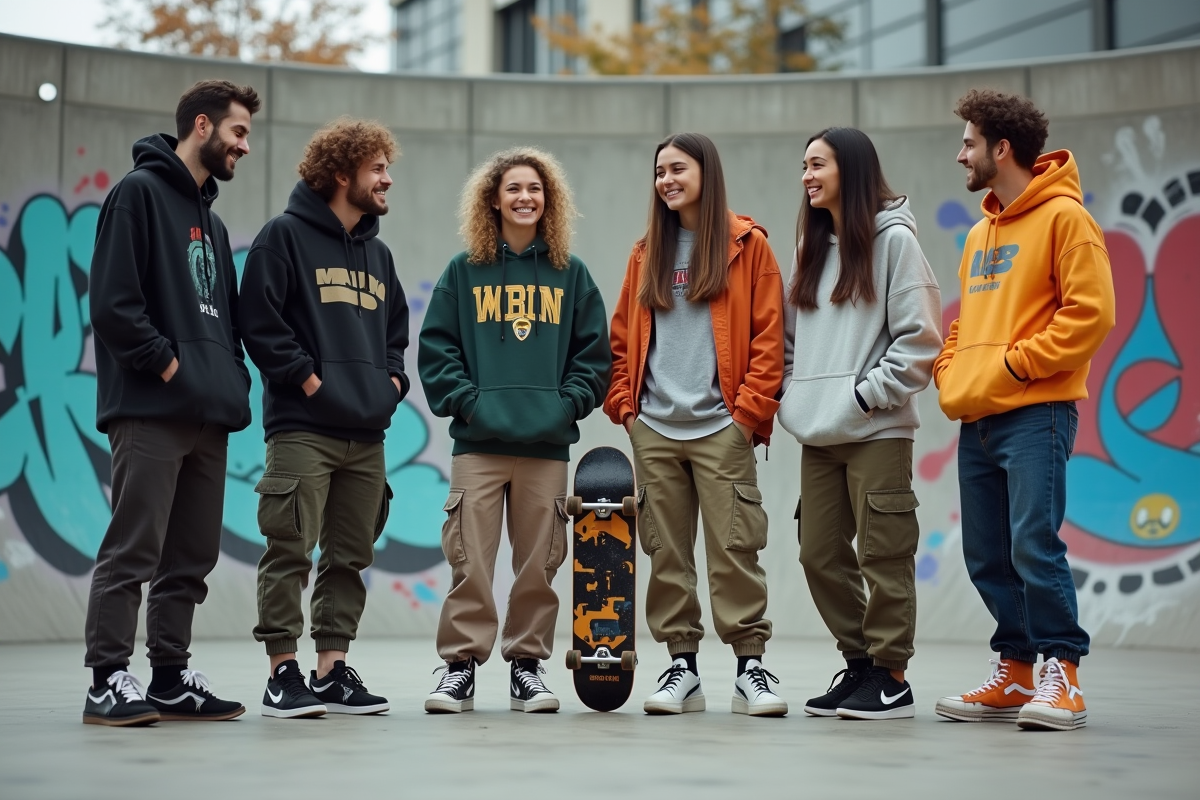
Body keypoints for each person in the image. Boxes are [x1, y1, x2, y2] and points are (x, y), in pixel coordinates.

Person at [934, 90, 1115, 731]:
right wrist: (951, 372)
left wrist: (1013, 366)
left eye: (968, 143)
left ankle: (1061, 674)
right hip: (976, 415)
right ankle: (1015, 671)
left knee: (1034, 546)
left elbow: (1091, 315)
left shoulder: (1066, 219)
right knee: (987, 554)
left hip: (1036, 411)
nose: (961, 155)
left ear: (1000, 148)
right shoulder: (981, 231)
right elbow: (963, 323)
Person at [84, 79, 260, 726]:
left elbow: (226, 324)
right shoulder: (136, 195)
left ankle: (168, 676)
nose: (245, 146)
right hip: (150, 409)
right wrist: (170, 364)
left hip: (207, 416)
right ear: (204, 126)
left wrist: (227, 382)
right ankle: (106, 679)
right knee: (135, 548)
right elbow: (113, 305)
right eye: (239, 133)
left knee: (190, 558)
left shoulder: (210, 223)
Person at [419, 147, 610, 714]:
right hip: (478, 444)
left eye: (536, 189)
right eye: (514, 189)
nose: (526, 197)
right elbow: (437, 350)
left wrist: (565, 406)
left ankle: (527, 666)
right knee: (469, 561)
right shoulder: (464, 272)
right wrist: (469, 405)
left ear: (548, 200)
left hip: (546, 447)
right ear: (493, 200)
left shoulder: (570, 274)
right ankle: (459, 668)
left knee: (539, 564)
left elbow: (594, 357)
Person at [606, 132, 787, 717]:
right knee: (667, 554)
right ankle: (681, 666)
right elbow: (619, 345)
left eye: (677, 169)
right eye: (659, 171)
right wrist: (628, 415)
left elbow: (769, 339)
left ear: (706, 173)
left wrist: (746, 419)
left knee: (735, 549)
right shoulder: (644, 254)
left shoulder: (746, 246)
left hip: (721, 428)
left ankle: (750, 668)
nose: (667, 180)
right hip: (655, 429)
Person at [239, 119, 409, 718]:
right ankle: (282, 673)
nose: (388, 179)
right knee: (289, 549)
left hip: (366, 434)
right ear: (343, 174)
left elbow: (395, 337)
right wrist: (308, 380)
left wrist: (391, 384)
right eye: (378, 169)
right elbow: (260, 323)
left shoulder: (379, 254)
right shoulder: (282, 238)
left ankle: (332, 671)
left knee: (349, 555)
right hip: (302, 428)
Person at [778, 127, 942, 721]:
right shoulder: (810, 247)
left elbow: (921, 340)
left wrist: (867, 397)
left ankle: (892, 677)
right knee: (817, 553)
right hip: (819, 433)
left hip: (877, 430)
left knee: (884, 553)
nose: (807, 176)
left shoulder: (895, 242)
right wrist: (796, 399)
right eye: (803, 166)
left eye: (817, 164)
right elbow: (789, 342)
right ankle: (861, 663)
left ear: (850, 167)